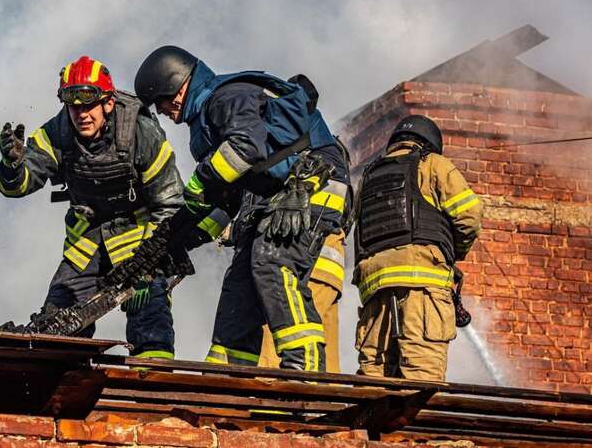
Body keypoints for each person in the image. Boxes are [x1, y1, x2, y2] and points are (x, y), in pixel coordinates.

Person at [134, 46, 351, 372]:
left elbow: (246, 147)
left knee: (271, 261)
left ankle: (303, 373)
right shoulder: (204, 124)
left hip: (313, 184)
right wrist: (175, 241)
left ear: (176, 85)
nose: (162, 110)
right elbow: (224, 200)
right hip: (275, 195)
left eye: (161, 102)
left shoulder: (226, 98)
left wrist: (200, 181)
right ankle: (228, 380)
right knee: (238, 284)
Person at [0, 55, 184, 360]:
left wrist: (150, 263)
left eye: (89, 104)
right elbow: (15, 188)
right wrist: (12, 165)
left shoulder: (141, 132)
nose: (81, 114)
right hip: (87, 242)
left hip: (140, 238)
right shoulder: (57, 133)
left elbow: (169, 203)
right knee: (57, 322)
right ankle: (60, 389)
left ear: (108, 103)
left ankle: (153, 388)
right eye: (74, 106)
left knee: (149, 311)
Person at [352, 114, 482, 381]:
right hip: (422, 288)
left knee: (373, 379)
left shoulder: (367, 177)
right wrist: (452, 251)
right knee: (421, 382)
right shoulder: (432, 164)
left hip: (375, 291)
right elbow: (470, 215)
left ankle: (369, 423)